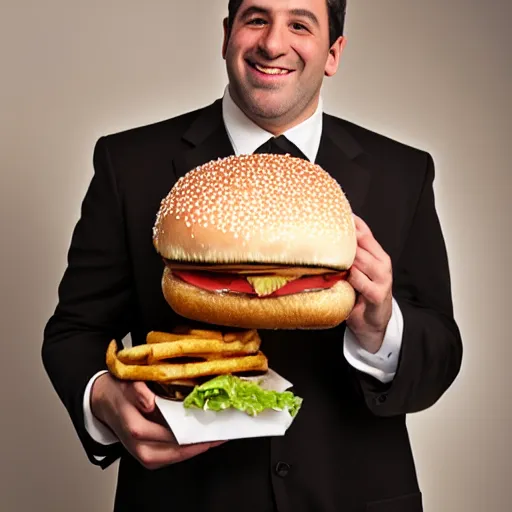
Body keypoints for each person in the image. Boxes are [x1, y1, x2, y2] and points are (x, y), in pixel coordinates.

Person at [42, 0, 463, 511]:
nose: (272, 43)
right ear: (227, 36)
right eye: (257, 18)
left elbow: (441, 348)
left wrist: (381, 327)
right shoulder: (128, 164)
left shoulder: (403, 173)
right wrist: (102, 398)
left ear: (332, 53)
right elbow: (74, 332)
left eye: (300, 24)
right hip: (184, 498)